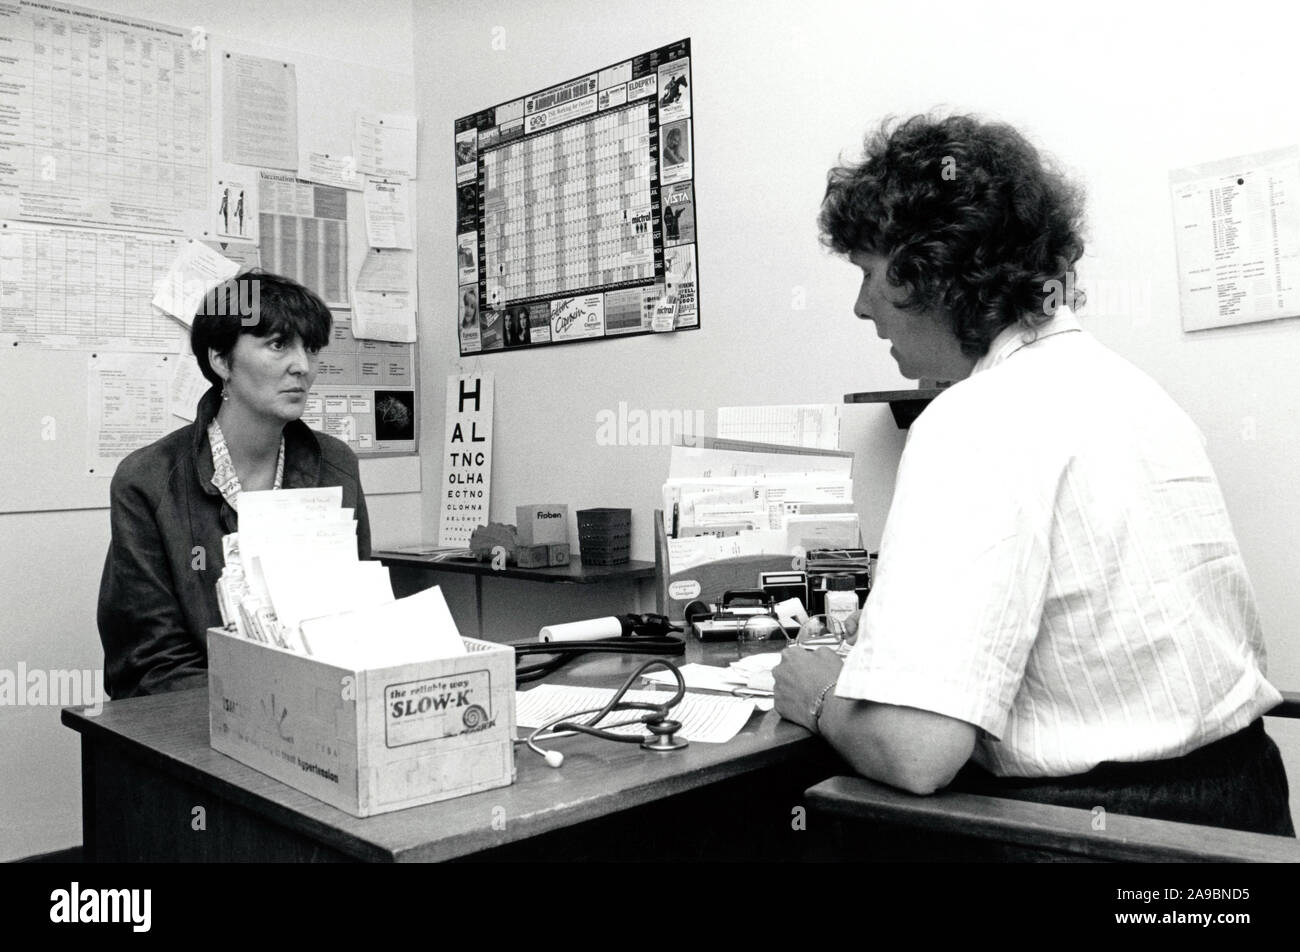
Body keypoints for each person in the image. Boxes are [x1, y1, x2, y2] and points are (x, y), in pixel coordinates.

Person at [773, 114, 1293, 836]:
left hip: (1086, 839)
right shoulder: (1139, 394)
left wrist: (820, 696)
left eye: (868, 273)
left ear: (933, 270)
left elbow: (917, 753)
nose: (861, 307)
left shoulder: (973, 419)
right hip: (1243, 819)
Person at [98, 271, 371, 699]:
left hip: (320, 712)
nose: (302, 366)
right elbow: (148, 663)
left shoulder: (335, 466)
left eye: (310, 348)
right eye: (278, 345)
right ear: (221, 361)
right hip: (197, 723)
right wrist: (258, 709)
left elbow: (357, 619)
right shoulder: (148, 480)